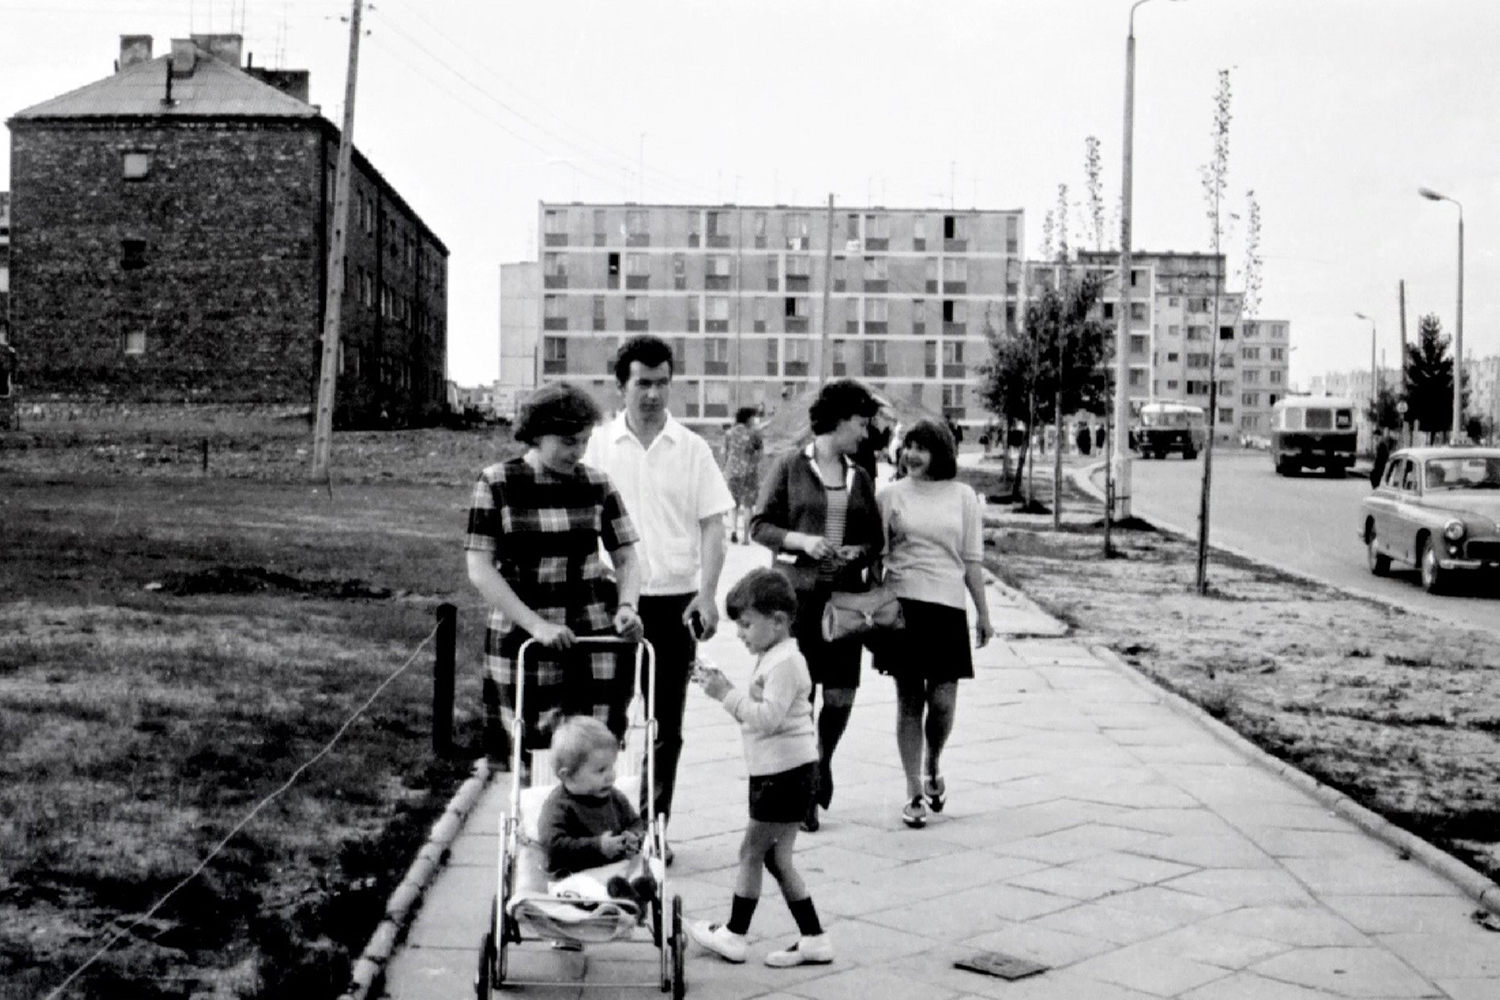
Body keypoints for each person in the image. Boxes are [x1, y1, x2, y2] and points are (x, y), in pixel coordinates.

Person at [584, 335, 735, 858]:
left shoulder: (692, 449)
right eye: (642, 383)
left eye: (662, 383)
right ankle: (601, 831)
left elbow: (714, 526)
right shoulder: (597, 446)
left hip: (675, 603)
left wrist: (709, 595)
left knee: (666, 725)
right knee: (607, 721)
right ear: (621, 385)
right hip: (607, 603)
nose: (652, 394)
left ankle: (652, 827)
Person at [465, 382, 644, 769]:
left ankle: (586, 830)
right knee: (534, 760)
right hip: (523, 639)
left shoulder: (597, 484)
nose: (577, 452)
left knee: (592, 754)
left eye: (583, 442)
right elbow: (479, 568)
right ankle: (540, 829)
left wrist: (627, 605)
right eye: (567, 442)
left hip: (590, 639)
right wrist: (536, 626)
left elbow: (627, 557)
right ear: (535, 433)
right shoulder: (497, 483)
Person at [750, 378, 882, 832]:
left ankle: (822, 759)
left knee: (842, 694)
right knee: (800, 695)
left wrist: (857, 552)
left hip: (845, 602)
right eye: (861, 423)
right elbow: (759, 525)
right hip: (798, 602)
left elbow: (874, 539)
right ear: (840, 420)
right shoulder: (790, 466)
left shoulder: (859, 475)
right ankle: (805, 784)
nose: (865, 433)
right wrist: (802, 540)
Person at [689, 569, 832, 967]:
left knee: (750, 852)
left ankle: (735, 934)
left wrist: (726, 694)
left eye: (747, 624)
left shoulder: (786, 662)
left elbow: (766, 717)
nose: (741, 634)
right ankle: (814, 938)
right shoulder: (776, 656)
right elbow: (759, 715)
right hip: (786, 771)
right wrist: (725, 687)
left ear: (779, 621)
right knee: (775, 858)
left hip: (783, 776)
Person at [874, 419, 993, 829]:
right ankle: (912, 791)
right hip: (903, 605)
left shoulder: (963, 498)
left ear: (940, 453)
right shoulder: (888, 496)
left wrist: (983, 613)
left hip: (947, 608)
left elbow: (973, 560)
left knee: (942, 702)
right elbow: (877, 558)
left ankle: (933, 761)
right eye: (908, 446)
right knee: (909, 702)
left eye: (922, 448)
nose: (912, 454)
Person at [536, 716, 657, 909]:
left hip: (613, 871)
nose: (611, 775)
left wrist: (633, 835)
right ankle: (625, 900)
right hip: (573, 877)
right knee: (583, 888)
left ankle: (630, 894)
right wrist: (597, 846)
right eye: (601, 770)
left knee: (642, 869)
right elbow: (553, 845)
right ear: (568, 776)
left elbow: (634, 821)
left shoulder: (614, 797)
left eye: (611, 767)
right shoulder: (559, 805)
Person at [722, 406, 764, 544]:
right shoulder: (755, 434)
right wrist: (753, 462)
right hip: (749, 473)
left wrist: (726, 470)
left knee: (732, 504)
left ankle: (733, 531)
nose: (756, 420)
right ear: (749, 418)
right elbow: (760, 454)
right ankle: (746, 537)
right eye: (754, 417)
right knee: (748, 505)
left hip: (732, 472)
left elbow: (725, 453)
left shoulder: (729, 433)